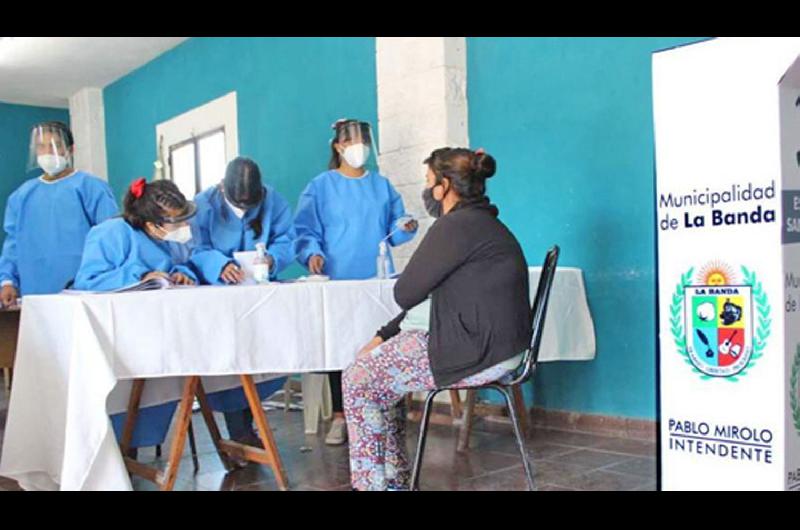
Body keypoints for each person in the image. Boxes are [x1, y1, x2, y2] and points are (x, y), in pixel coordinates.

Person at [342, 147, 532, 491]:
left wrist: (385, 338)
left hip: (480, 351)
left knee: (358, 379)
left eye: (430, 182)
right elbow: (428, 297)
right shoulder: (481, 224)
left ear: (445, 186)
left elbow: (407, 293)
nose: (428, 191)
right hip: (498, 345)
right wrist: (385, 336)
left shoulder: (455, 227)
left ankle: (372, 485)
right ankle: (393, 480)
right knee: (380, 377)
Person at [293, 118, 418, 445]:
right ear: (338, 147)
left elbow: (396, 225)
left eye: (363, 142)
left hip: (377, 278)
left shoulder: (381, 186)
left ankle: (383, 411)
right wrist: (312, 254)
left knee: (380, 343)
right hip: (337, 277)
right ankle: (341, 417)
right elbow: (305, 230)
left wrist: (405, 225)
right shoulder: (320, 186)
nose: (358, 149)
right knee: (341, 346)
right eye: (351, 143)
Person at [190, 156, 293, 446]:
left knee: (261, 356)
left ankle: (246, 427)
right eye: (239, 205)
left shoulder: (275, 201)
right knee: (229, 359)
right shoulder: (203, 204)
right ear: (222, 188)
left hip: (259, 297)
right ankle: (240, 431)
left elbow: (287, 240)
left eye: (251, 205)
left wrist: (273, 259)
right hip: (219, 298)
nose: (244, 211)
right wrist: (218, 266)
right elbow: (195, 248)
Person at [0, 121, 118, 304]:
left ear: (71, 150)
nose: (48, 152)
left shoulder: (91, 187)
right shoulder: (21, 196)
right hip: (34, 292)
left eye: (55, 145)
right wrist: (7, 281)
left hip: (83, 292)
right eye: (41, 146)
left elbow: (111, 237)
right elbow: (12, 244)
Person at [73, 178, 197, 290]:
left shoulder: (170, 238)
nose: (185, 226)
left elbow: (182, 263)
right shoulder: (112, 233)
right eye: (177, 223)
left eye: (185, 219)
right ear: (152, 225)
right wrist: (141, 276)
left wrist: (180, 275)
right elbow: (87, 282)